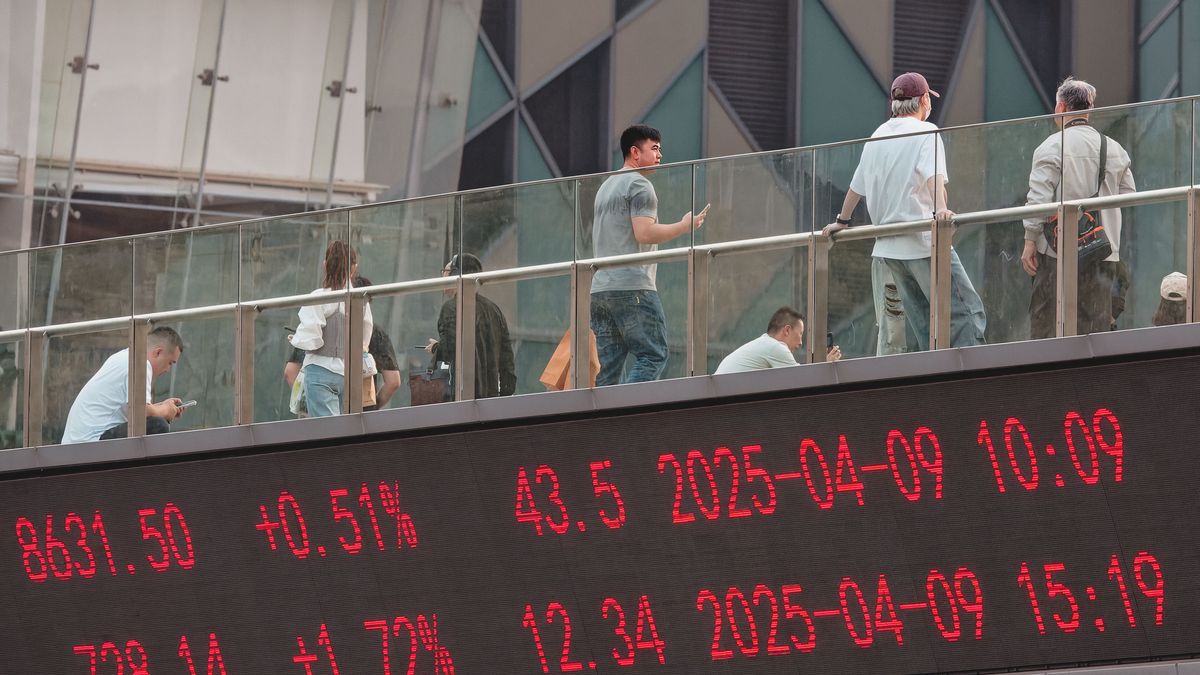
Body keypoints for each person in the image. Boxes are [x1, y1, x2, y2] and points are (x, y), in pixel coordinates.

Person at [823, 72, 986, 352]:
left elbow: (856, 186)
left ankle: (932, 374)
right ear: (924, 100)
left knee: (921, 320)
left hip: (888, 250)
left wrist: (842, 221)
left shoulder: (877, 135)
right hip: (924, 243)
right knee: (966, 311)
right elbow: (934, 178)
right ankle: (973, 374)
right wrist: (942, 211)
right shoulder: (927, 132)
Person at [591, 124, 709, 385]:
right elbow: (644, 233)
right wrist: (684, 225)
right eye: (654, 148)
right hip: (633, 287)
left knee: (608, 368)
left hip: (599, 289)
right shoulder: (640, 184)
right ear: (635, 152)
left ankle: (606, 424)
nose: (660, 155)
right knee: (653, 354)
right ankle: (631, 416)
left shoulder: (606, 187)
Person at [1022, 77, 1136, 338]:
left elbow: (1037, 199)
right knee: (1093, 330)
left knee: (1048, 324)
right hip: (1104, 253)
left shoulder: (1051, 146)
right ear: (1089, 109)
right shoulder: (1115, 149)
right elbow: (1128, 196)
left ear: (1061, 107)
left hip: (1056, 253)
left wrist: (1030, 240)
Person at [285, 275, 399, 412]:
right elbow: (393, 381)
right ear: (368, 302)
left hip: (324, 400)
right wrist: (374, 406)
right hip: (363, 407)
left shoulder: (320, 324)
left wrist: (310, 406)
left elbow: (290, 372)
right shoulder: (375, 332)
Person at [289, 240, 374, 417]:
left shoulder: (318, 297)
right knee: (346, 432)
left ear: (325, 265)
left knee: (327, 434)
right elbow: (364, 339)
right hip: (349, 374)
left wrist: (296, 339)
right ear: (353, 268)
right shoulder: (360, 301)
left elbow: (311, 340)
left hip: (320, 370)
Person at [62, 326, 186, 443]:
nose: (168, 370)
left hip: (78, 443)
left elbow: (131, 409)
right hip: (90, 443)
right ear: (158, 352)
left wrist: (162, 406)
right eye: (170, 363)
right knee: (158, 425)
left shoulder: (124, 356)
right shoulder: (140, 363)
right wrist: (165, 410)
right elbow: (141, 412)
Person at [425, 253, 515, 399]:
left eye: (445, 272)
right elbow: (507, 358)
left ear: (456, 275)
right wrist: (505, 393)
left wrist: (436, 348)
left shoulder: (452, 308)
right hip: (491, 394)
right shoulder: (493, 309)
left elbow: (451, 350)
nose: (442, 277)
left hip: (462, 394)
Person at [714, 307, 842, 374]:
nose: (801, 343)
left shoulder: (764, 344)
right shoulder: (775, 347)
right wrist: (825, 364)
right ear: (787, 330)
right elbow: (803, 380)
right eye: (800, 334)